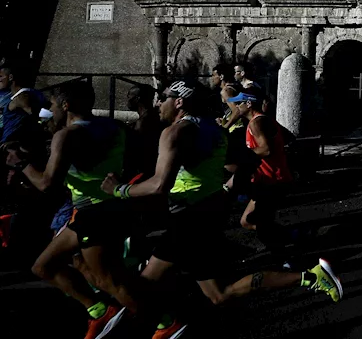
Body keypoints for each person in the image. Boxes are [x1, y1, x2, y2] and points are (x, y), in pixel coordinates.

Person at [100, 81, 341, 339]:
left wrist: (119, 190)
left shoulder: (174, 133)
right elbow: (242, 164)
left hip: (189, 219)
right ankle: (309, 277)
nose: (159, 103)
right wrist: (224, 189)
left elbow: (160, 184)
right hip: (207, 214)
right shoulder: (216, 131)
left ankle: (164, 325)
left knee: (141, 284)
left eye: (164, 97)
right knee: (218, 294)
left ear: (179, 101)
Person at [7, 79, 139, 338]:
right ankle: (100, 311)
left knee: (106, 280)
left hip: (94, 213)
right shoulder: (115, 126)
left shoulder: (66, 135)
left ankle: (165, 322)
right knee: (43, 266)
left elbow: (46, 184)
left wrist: (20, 163)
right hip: (104, 208)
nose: (51, 110)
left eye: (53, 105)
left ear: (66, 105)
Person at [226, 85, 294, 258]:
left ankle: (286, 257)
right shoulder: (263, 120)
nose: (237, 107)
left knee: (256, 222)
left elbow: (265, 150)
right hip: (269, 180)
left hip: (273, 181)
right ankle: (292, 236)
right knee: (247, 221)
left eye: (240, 103)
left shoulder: (256, 123)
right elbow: (287, 138)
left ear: (249, 104)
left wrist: (245, 155)